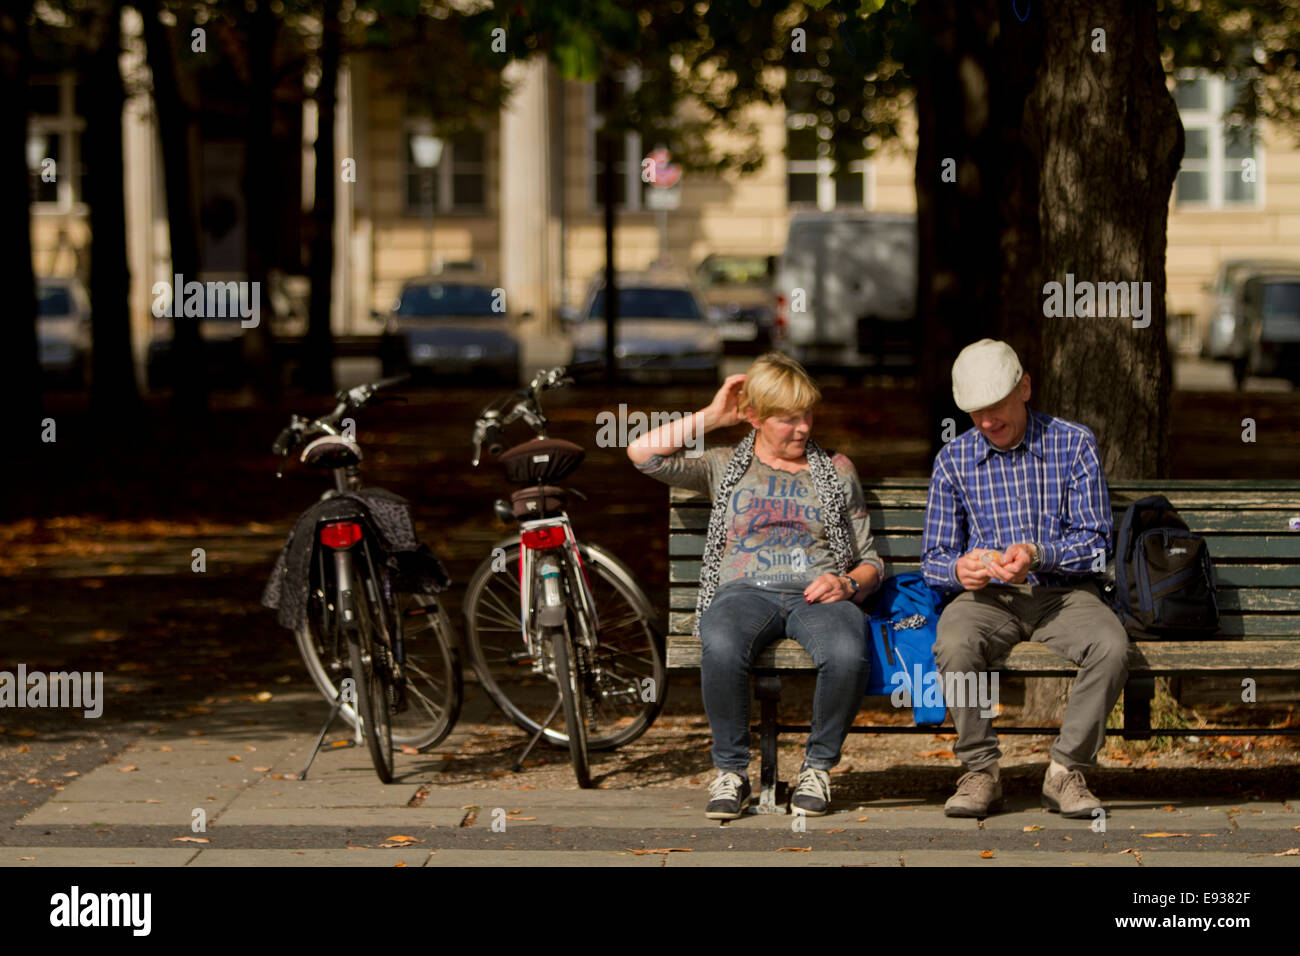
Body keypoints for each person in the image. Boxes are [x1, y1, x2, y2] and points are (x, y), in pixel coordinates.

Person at [628, 352, 883, 819]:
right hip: (745, 592)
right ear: (754, 418)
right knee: (721, 642)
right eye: (787, 419)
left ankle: (818, 769)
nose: (803, 428)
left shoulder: (837, 469)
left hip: (817, 593)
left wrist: (846, 583)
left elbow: (870, 563)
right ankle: (731, 772)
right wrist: (712, 415)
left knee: (848, 650)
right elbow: (642, 454)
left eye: (807, 414)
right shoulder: (724, 465)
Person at [921, 338, 1129, 819]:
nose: (988, 423)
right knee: (954, 643)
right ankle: (980, 771)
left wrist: (1038, 554)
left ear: (1025, 388)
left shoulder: (1072, 444)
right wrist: (960, 568)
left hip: (1063, 594)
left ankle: (1065, 771)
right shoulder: (953, 461)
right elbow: (933, 559)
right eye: (976, 414)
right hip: (989, 599)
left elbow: (1097, 546)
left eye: (996, 409)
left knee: (1111, 645)